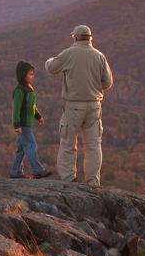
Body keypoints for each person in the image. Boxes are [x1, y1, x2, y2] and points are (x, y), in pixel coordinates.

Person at [45, 25, 113, 187]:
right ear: (90, 38)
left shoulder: (69, 53)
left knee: (68, 143)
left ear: (74, 37)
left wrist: (48, 60)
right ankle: (93, 182)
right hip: (95, 106)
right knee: (93, 146)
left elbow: (52, 68)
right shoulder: (99, 56)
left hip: (74, 106)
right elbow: (108, 83)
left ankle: (69, 180)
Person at [9, 61, 52, 179]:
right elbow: (16, 109)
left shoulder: (29, 88)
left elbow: (32, 106)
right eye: (30, 74)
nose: (33, 76)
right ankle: (38, 170)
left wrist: (38, 116)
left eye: (33, 74)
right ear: (23, 75)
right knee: (31, 145)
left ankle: (15, 171)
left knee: (21, 149)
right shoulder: (20, 90)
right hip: (22, 125)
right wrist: (16, 125)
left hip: (27, 123)